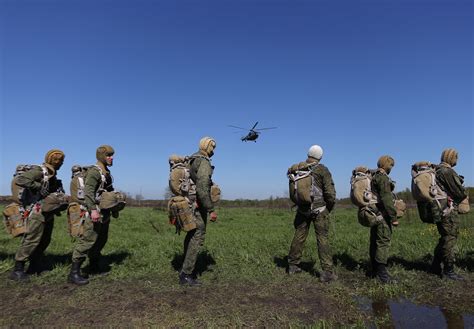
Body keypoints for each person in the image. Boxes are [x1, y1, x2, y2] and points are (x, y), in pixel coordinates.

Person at [10, 149, 65, 280]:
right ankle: (18, 269)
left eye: (61, 160)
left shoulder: (52, 173)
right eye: (57, 160)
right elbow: (21, 179)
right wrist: (39, 186)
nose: (60, 162)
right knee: (32, 240)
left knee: (45, 240)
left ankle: (34, 265)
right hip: (37, 211)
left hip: (47, 212)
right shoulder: (40, 170)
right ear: (50, 160)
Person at [287, 145, 337, 283]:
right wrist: (328, 208)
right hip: (319, 209)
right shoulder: (322, 169)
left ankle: (293, 266)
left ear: (308, 154)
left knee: (299, 235)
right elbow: (330, 193)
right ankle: (327, 272)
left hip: (302, 209)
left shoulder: (298, 169)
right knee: (322, 238)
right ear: (320, 156)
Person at [68, 145, 116, 285]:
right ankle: (74, 273)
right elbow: (89, 192)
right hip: (94, 212)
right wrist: (93, 210)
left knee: (101, 240)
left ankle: (94, 266)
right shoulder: (95, 172)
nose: (111, 158)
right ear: (101, 156)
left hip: (104, 212)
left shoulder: (106, 173)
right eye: (108, 155)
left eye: (112, 155)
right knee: (87, 240)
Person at [179, 137, 218, 285]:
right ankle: (187, 274)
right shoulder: (204, 162)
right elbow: (202, 188)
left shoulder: (192, 158)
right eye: (212, 147)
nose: (213, 150)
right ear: (206, 146)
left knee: (191, 234)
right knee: (197, 236)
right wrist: (210, 209)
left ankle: (184, 267)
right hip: (197, 205)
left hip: (188, 203)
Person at [431, 148, 467, 280]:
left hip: (440, 210)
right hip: (448, 211)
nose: (457, 160)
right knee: (450, 238)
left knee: (444, 238)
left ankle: (435, 265)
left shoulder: (437, 170)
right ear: (452, 158)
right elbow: (459, 193)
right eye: (456, 157)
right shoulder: (447, 171)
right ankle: (449, 270)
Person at [369, 155, 398, 284]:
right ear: (386, 165)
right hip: (383, 214)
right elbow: (387, 199)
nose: (391, 168)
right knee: (383, 241)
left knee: (374, 240)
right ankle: (382, 274)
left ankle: (374, 268)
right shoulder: (383, 178)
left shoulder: (374, 176)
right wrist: (393, 217)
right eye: (391, 165)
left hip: (374, 214)